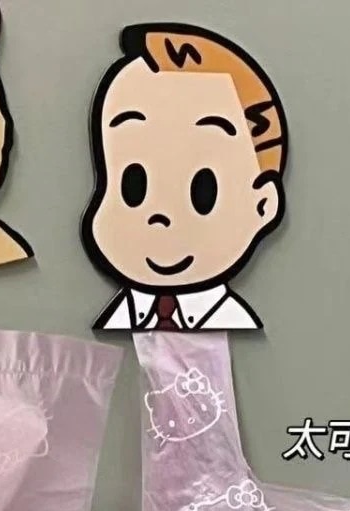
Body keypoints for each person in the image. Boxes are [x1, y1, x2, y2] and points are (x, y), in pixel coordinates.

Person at [82, 24, 286, 332]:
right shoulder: (115, 321)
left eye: (203, 191)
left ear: (263, 204)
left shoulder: (237, 325)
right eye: (133, 186)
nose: (161, 216)